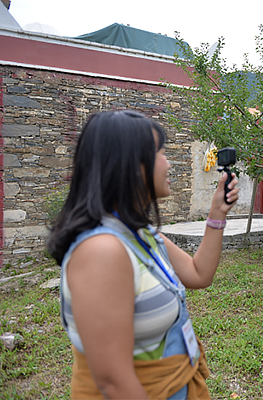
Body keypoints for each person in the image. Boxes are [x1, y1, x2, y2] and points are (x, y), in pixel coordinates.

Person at [47, 109, 239, 399]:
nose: (169, 163)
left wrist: (217, 214)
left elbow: (199, 274)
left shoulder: (140, 234)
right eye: (161, 152)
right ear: (130, 164)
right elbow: (113, 381)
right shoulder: (102, 251)